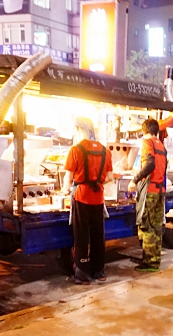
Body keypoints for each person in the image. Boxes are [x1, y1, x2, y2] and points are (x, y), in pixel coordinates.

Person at [61, 117, 113, 285]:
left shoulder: (76, 150)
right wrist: (97, 181)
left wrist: (65, 190)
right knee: (98, 235)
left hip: (82, 197)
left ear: (79, 129)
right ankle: (98, 271)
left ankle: (82, 272)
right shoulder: (106, 151)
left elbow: (68, 178)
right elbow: (110, 177)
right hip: (98, 198)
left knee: (81, 235)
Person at [128, 118, 167, 272]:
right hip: (160, 191)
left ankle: (149, 263)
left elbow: (150, 164)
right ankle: (155, 261)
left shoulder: (146, 143)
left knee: (147, 227)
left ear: (144, 131)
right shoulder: (161, 145)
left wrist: (135, 180)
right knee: (156, 227)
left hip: (150, 192)